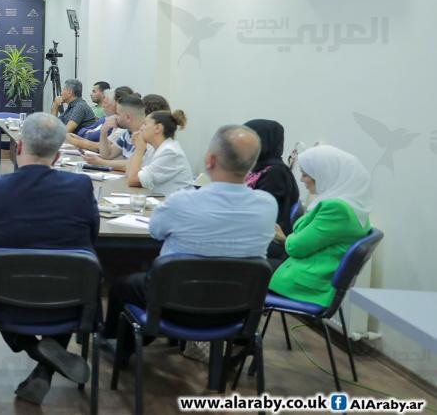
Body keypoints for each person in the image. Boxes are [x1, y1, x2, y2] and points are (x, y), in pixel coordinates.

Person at [102, 125, 277, 362]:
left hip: (172, 304)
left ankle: (119, 347)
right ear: (252, 164)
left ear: (210, 159)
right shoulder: (267, 205)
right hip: (235, 309)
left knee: (122, 283)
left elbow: (155, 231)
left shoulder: (182, 201)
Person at [0, 113, 97, 404]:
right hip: (70, 301)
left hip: (3, 303)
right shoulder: (81, 188)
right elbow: (93, 235)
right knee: (64, 284)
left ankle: (36, 353)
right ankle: (44, 367)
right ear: (58, 155)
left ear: (19, 147)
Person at [269, 145, 373, 308]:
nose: (302, 179)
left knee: (247, 270)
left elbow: (297, 247)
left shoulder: (336, 209)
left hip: (307, 282)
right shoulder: (353, 205)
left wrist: (283, 238)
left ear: (325, 175)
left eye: (305, 174)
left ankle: (240, 330)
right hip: (312, 272)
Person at [243, 119, 301, 260]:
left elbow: (260, 214)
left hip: (267, 241)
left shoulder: (275, 173)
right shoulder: (261, 168)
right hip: (255, 234)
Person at [127, 109, 195, 196]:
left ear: (158, 128)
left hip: (179, 206)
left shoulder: (170, 152)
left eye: (145, 124)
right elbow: (129, 174)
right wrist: (138, 149)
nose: (141, 128)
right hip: (162, 201)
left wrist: (139, 151)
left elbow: (133, 180)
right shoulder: (153, 148)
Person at [86, 93, 148, 172]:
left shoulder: (147, 136)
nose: (115, 117)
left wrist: (101, 162)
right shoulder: (127, 133)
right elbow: (107, 155)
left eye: (118, 114)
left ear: (128, 117)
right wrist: (103, 132)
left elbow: (135, 164)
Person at [66, 88, 116, 152]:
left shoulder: (113, 123)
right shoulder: (103, 119)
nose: (103, 105)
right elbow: (81, 131)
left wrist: (75, 140)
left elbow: (94, 137)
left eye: (105, 103)